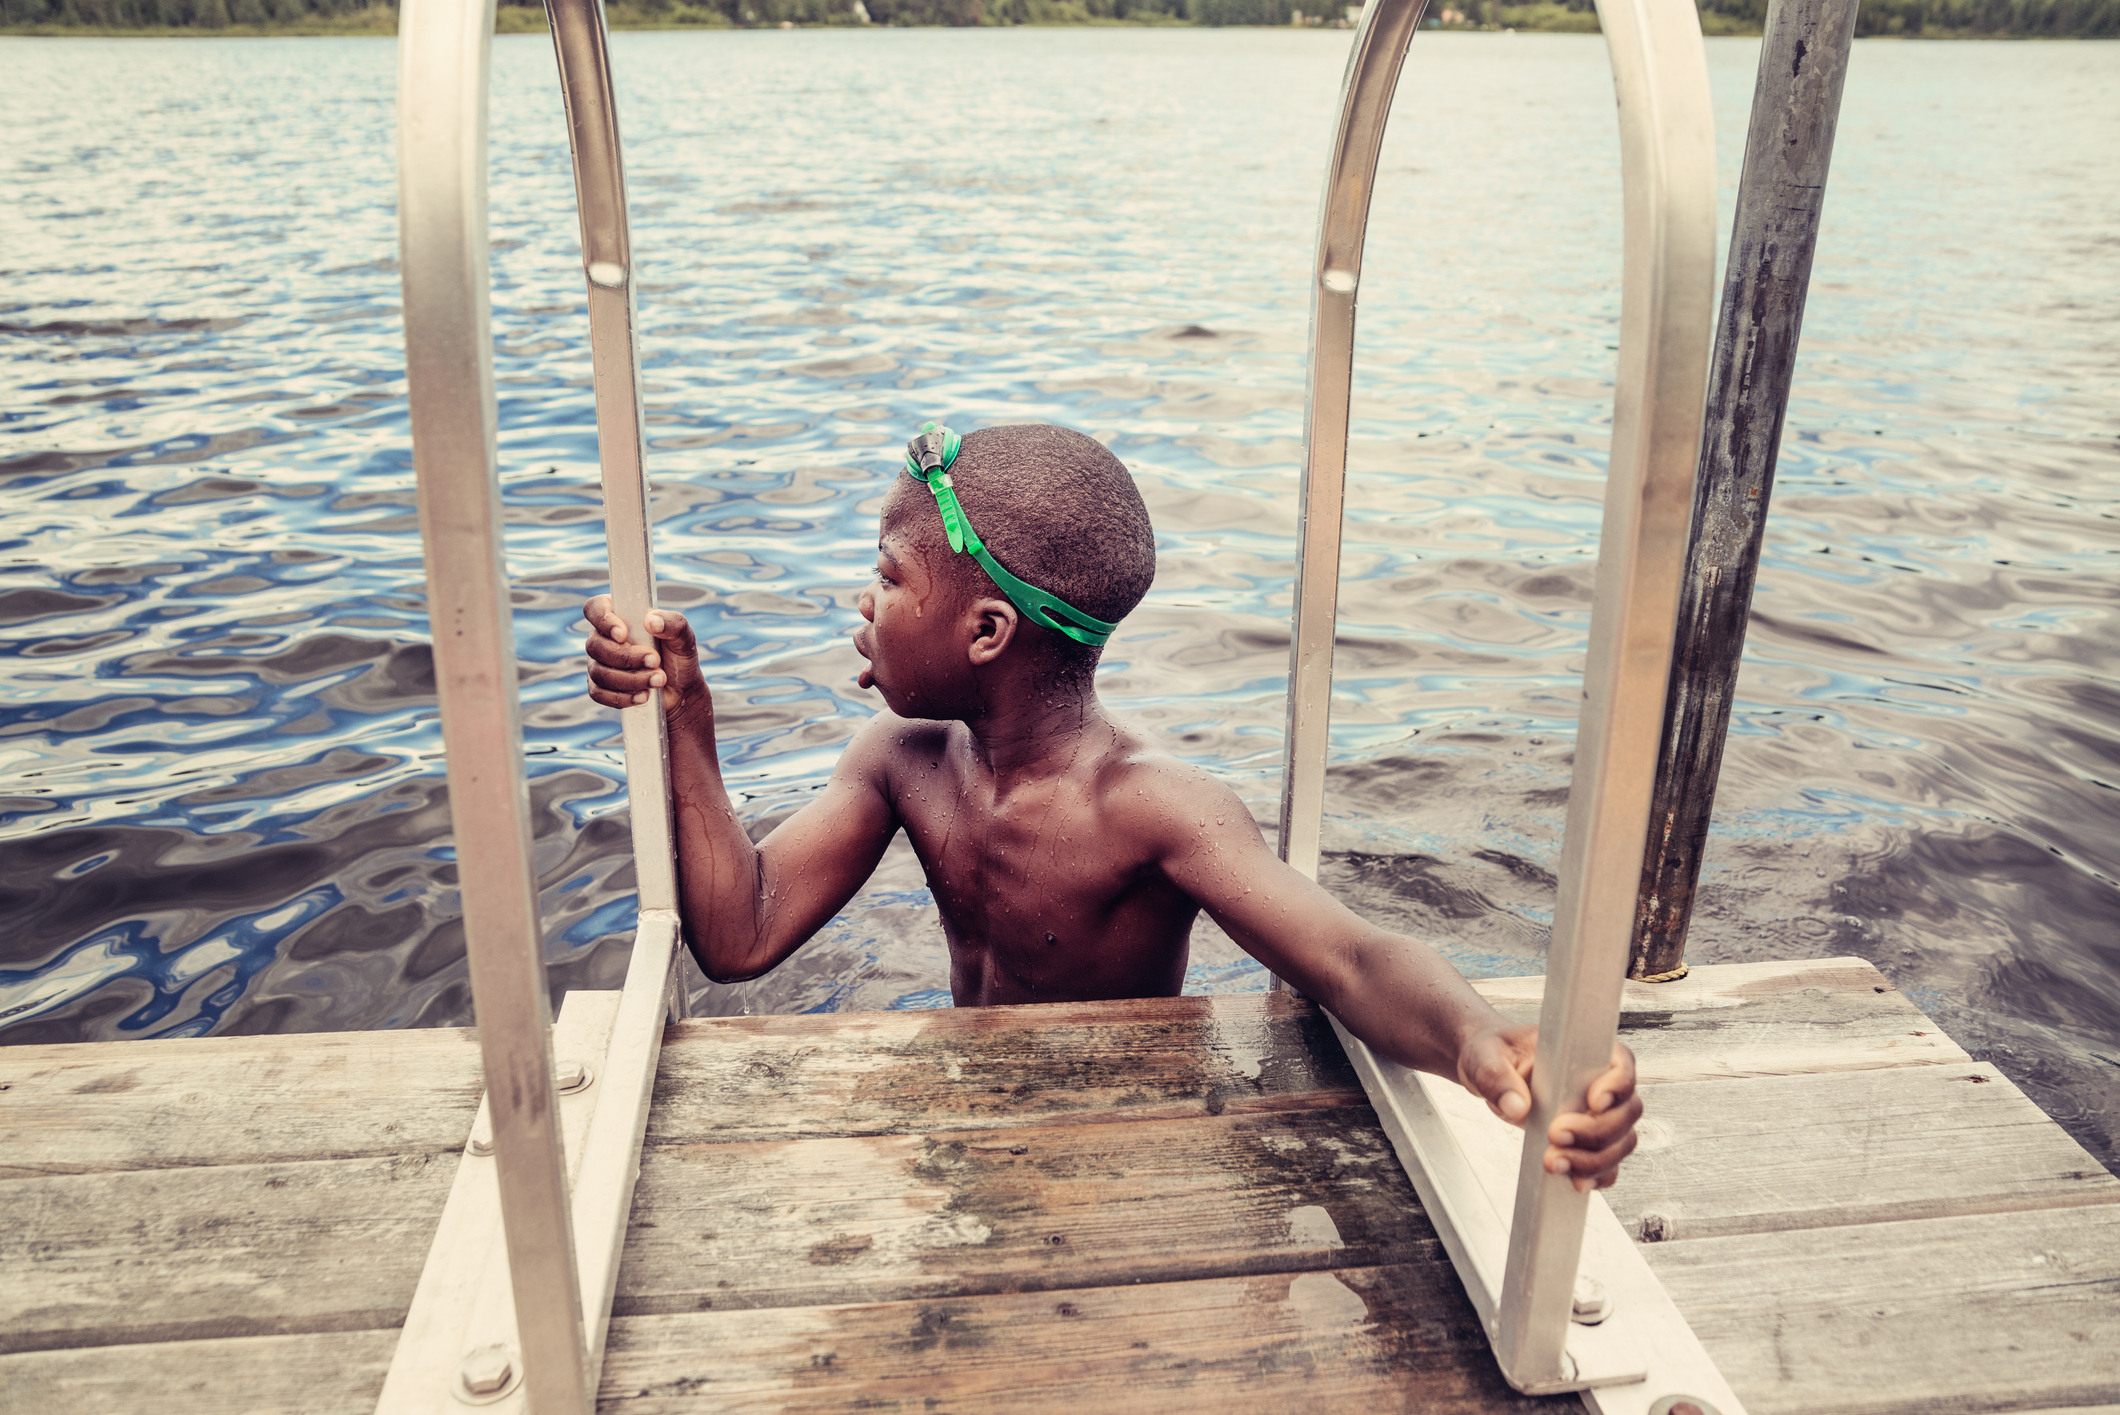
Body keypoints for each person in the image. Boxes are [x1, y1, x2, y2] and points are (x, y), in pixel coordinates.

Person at [582, 422, 1640, 1191]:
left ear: (985, 631)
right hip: (978, 1116)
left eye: (887, 574)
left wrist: (1479, 1041)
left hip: (1128, 1143)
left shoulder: (1152, 808)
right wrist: (686, 714)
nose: (862, 599)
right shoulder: (899, 759)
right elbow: (740, 930)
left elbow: (1348, 957)